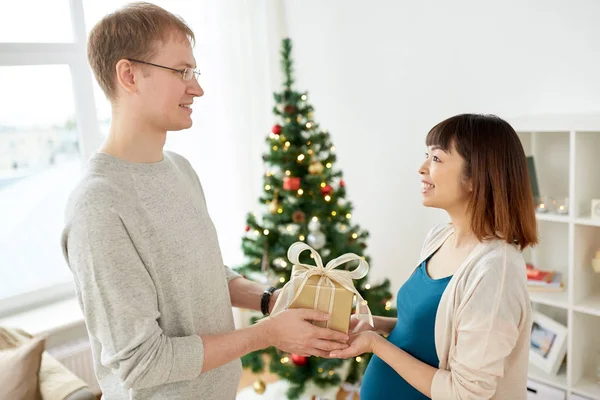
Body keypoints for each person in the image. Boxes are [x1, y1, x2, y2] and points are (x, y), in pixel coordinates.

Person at [61, 3, 348, 399]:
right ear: (129, 75)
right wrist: (266, 335)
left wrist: (268, 301)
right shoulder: (98, 206)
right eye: (182, 72)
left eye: (194, 72)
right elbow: (142, 362)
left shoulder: (179, 169)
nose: (196, 88)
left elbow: (202, 273)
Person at [330, 114, 537, 400]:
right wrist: (374, 325)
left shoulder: (495, 272)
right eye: (426, 156)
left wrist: (375, 345)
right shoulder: (440, 237)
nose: (422, 168)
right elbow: (427, 335)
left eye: (437, 158)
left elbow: (467, 393)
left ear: (476, 177)